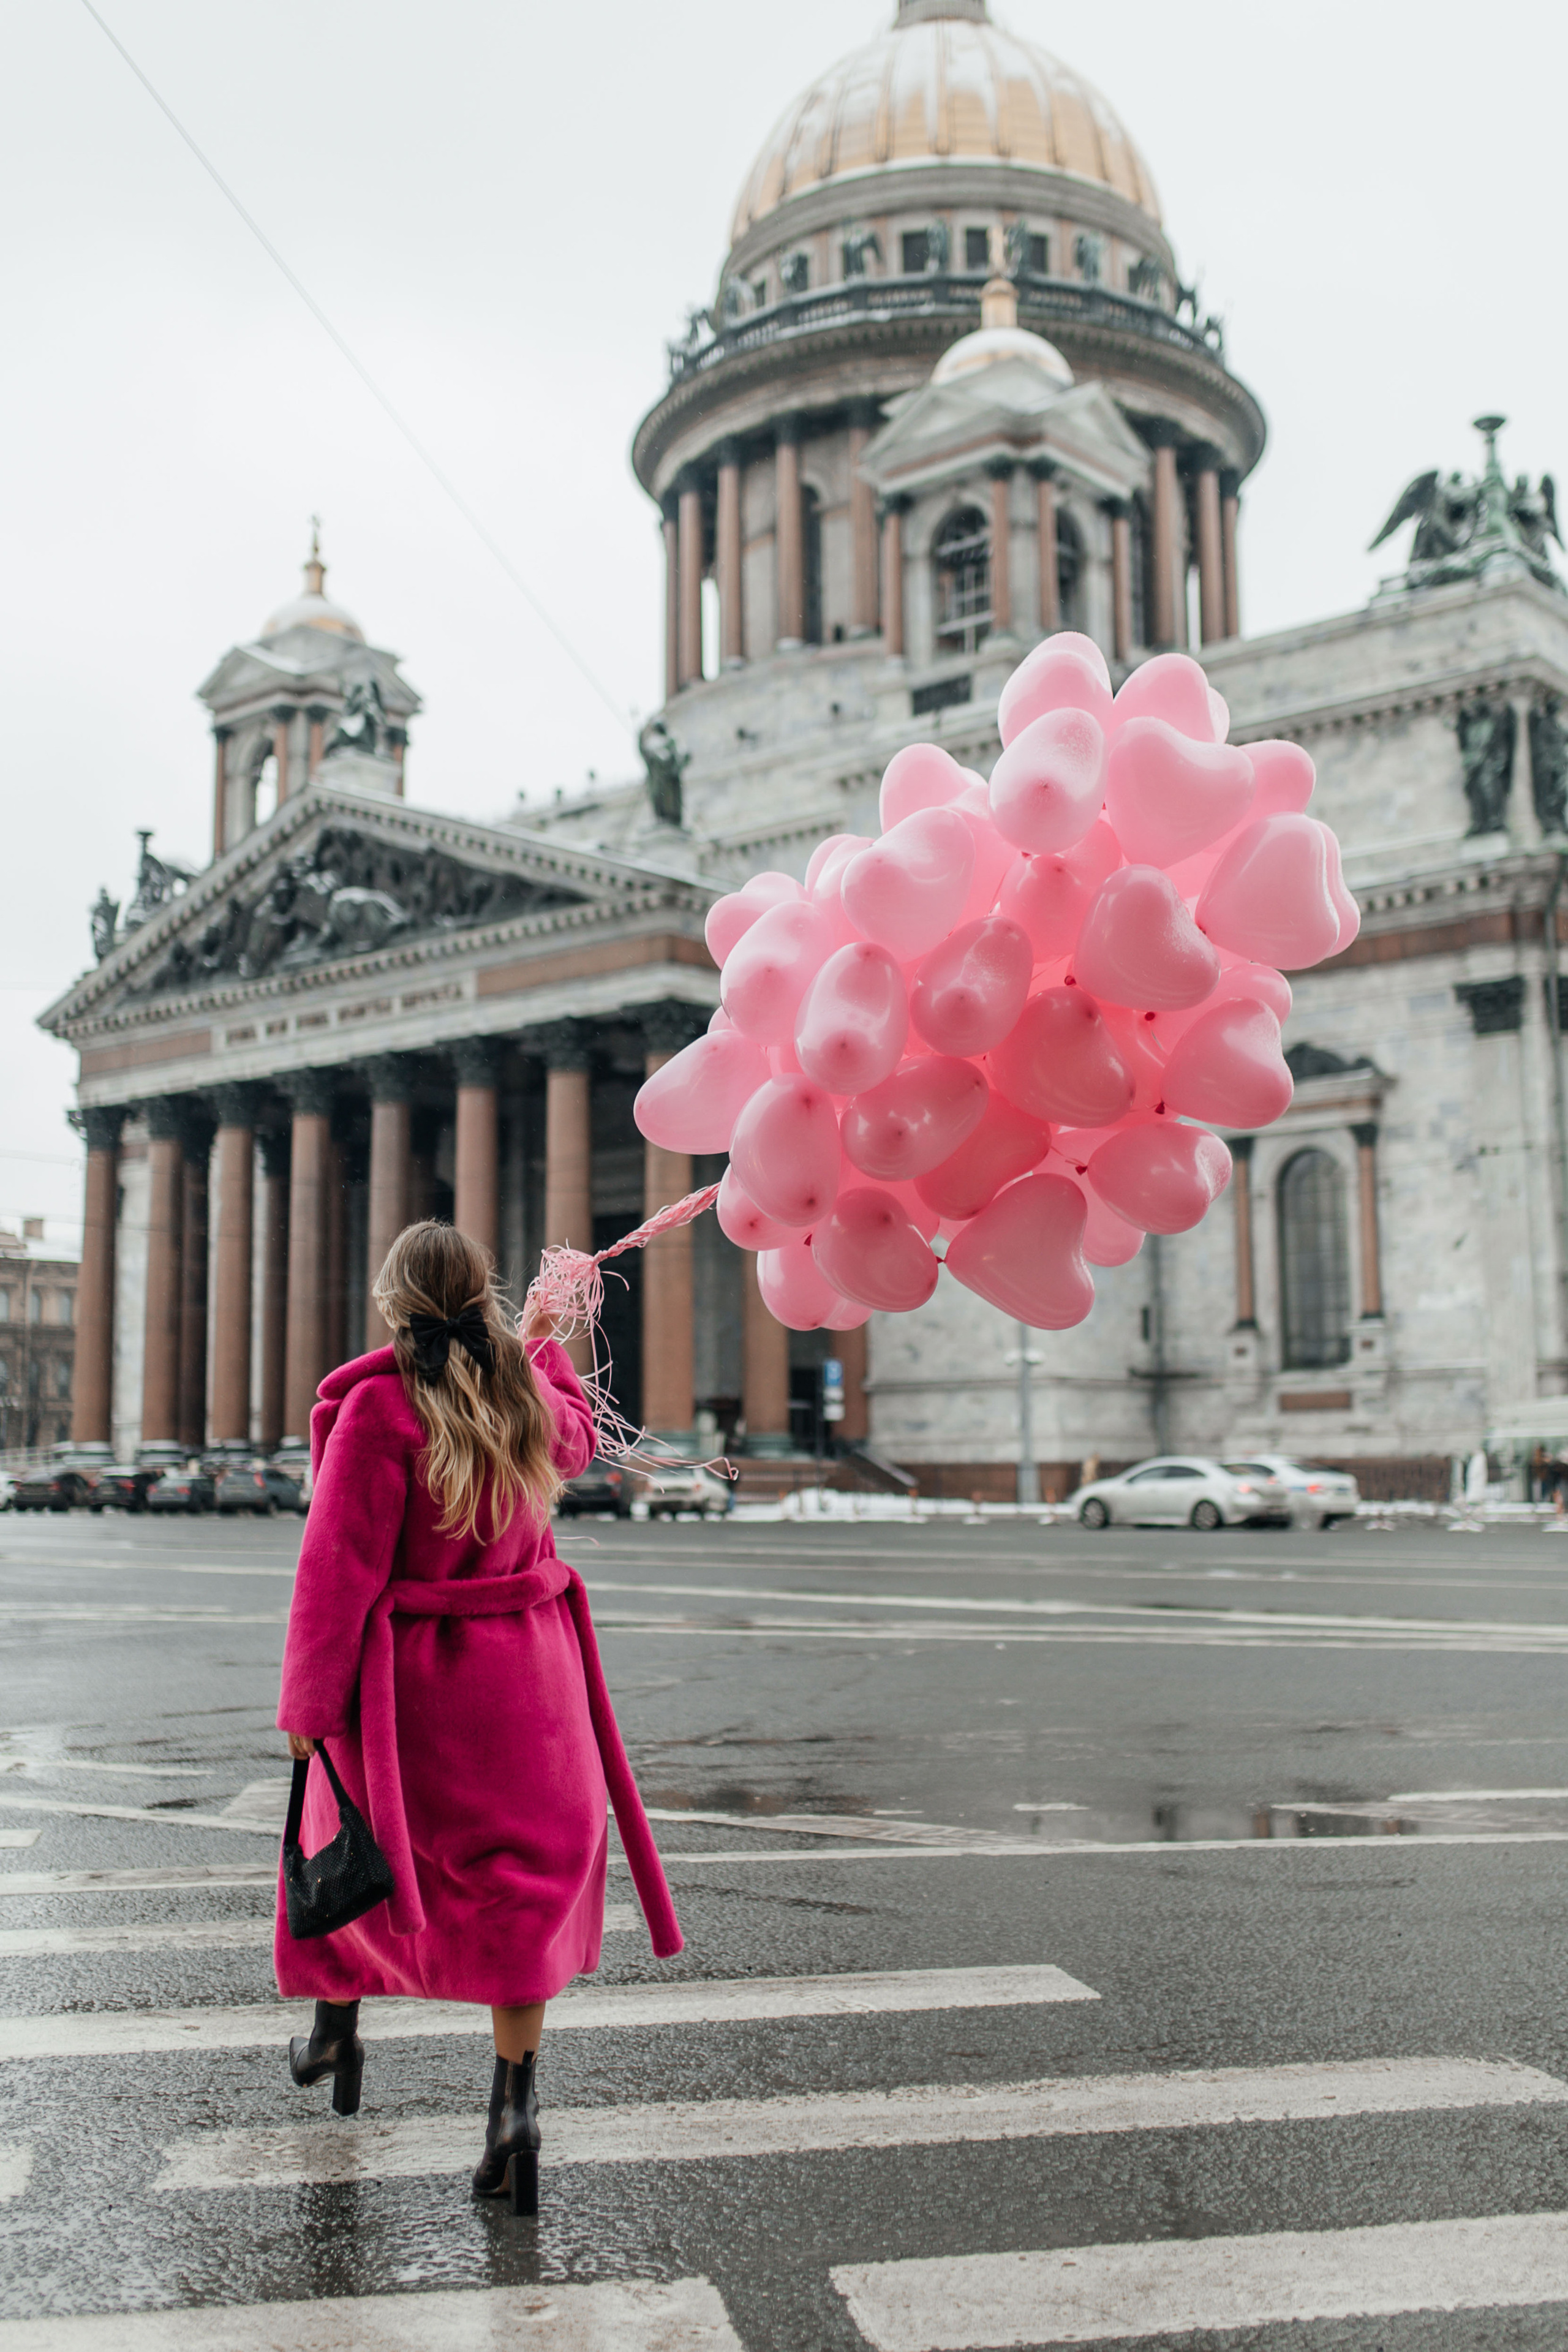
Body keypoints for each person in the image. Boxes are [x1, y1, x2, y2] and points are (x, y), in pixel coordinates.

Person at [274, 1220, 682, 2214]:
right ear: (482, 1296)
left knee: (352, 1844)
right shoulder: (524, 1391)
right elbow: (579, 1438)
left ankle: (335, 2030)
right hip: (532, 1685)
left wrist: (308, 1708)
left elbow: (337, 1574)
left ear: (392, 1303)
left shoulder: (376, 1409)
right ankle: (514, 2107)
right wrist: (540, 1340)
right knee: (518, 1890)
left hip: (415, 1685)